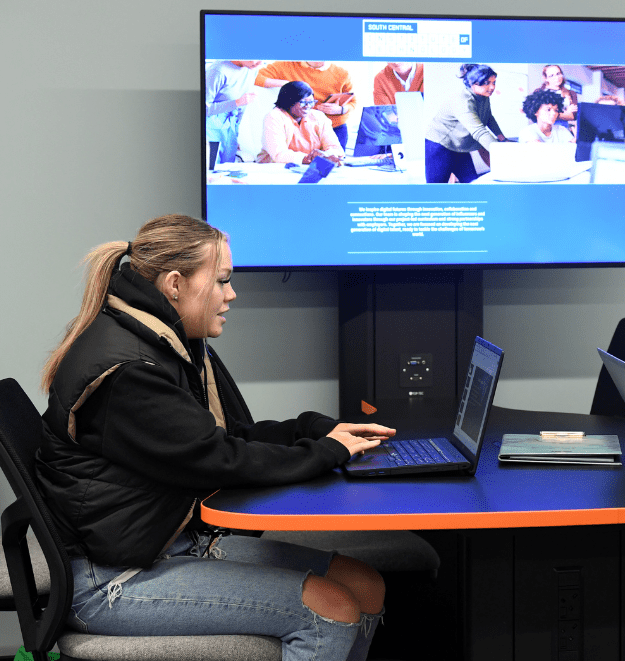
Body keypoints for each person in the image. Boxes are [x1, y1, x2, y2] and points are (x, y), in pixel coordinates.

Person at [36, 214, 396, 661]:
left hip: (169, 540)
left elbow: (222, 438)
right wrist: (326, 453)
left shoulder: (164, 339)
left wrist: (313, 430)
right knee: (330, 609)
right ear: (174, 285)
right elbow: (218, 459)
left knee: (364, 583)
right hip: (113, 578)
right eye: (223, 281)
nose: (232, 294)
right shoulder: (130, 371)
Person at [424, 63, 505, 183]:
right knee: (436, 190)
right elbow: (479, 132)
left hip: (460, 147)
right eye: (487, 82)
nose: (492, 87)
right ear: (473, 83)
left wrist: (502, 139)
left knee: (472, 183)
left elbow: (489, 118)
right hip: (440, 146)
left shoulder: (483, 97)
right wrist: (504, 154)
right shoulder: (462, 101)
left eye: (494, 82)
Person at [257, 61, 357, 149]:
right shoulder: (286, 66)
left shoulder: (342, 73)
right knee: (299, 161)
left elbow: (353, 102)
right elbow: (256, 78)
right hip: (301, 126)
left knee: (333, 161)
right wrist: (288, 84)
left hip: (335, 127)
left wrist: (340, 110)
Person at [256, 81, 344, 165]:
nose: (308, 106)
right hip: (272, 169)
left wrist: (328, 155)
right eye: (303, 102)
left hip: (307, 168)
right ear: (289, 101)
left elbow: (335, 148)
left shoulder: (318, 117)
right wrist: (308, 158)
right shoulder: (274, 116)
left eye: (311, 102)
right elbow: (279, 155)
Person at [205, 60, 262, 164]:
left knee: (228, 171)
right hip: (211, 127)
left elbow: (242, 106)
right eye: (256, 58)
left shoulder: (252, 70)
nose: (260, 63)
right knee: (211, 169)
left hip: (231, 129)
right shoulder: (218, 71)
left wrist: (235, 134)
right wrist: (236, 103)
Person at [535, 64, 578, 131]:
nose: (557, 77)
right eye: (551, 75)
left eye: (558, 74)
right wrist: (566, 112)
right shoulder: (539, 92)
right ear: (546, 78)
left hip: (563, 130)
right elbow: (536, 113)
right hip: (543, 130)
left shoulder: (572, 93)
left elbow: (573, 116)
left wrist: (551, 112)